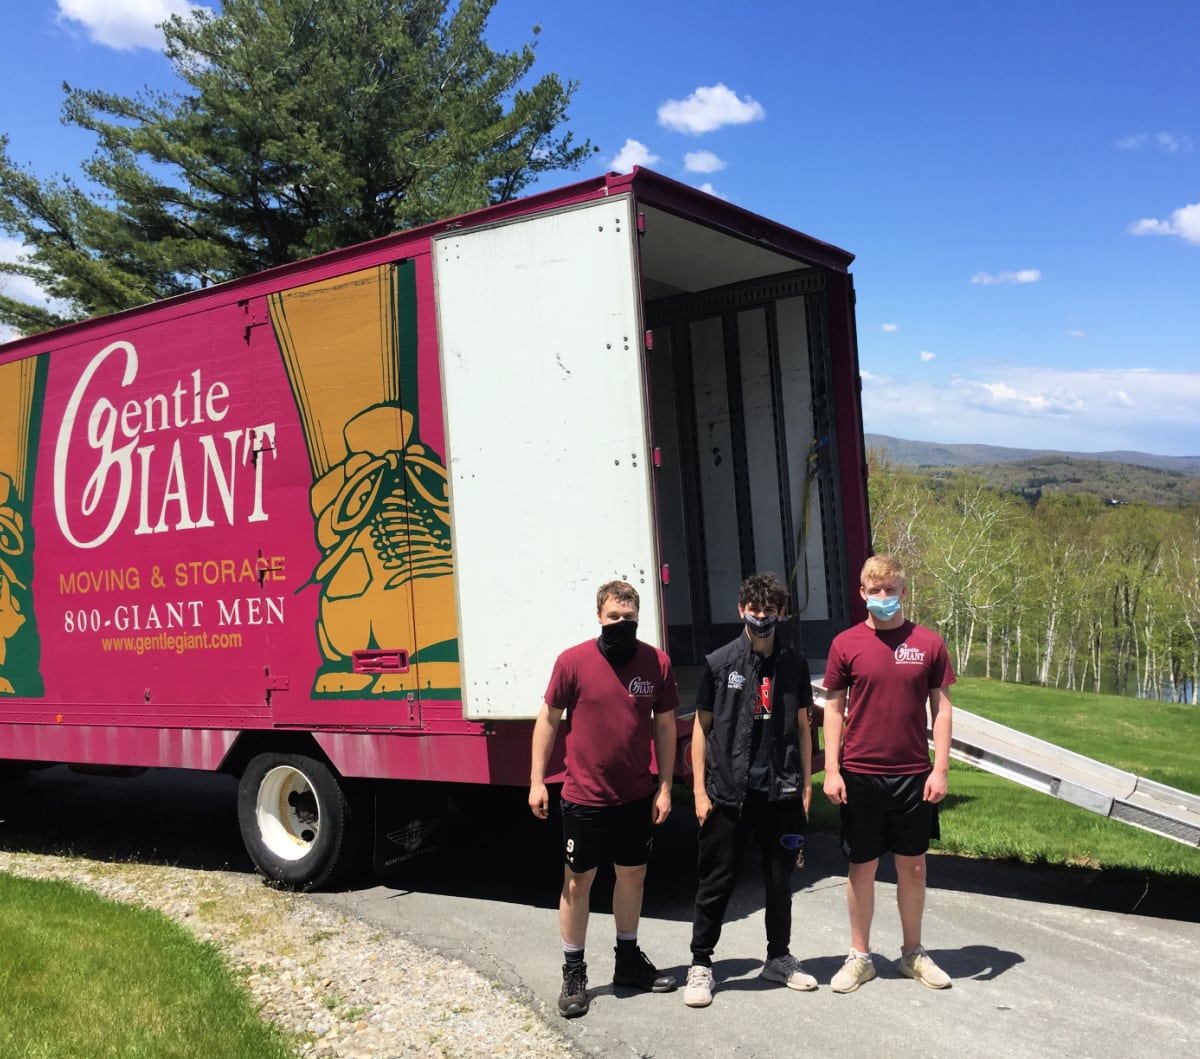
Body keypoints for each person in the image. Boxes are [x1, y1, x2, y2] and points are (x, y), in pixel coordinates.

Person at [529, 580, 679, 1018]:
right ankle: (574, 971)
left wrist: (665, 786)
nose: (621, 624)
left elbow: (665, 726)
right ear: (599, 617)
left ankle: (628, 961)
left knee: (633, 875)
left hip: (635, 795)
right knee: (578, 882)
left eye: (628, 618)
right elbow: (548, 720)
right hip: (584, 796)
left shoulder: (656, 662)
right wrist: (537, 780)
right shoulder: (572, 661)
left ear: (638, 618)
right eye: (613, 617)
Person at [682, 572, 816, 1009]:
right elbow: (701, 728)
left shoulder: (794, 664)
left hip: (780, 790)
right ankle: (701, 964)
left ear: (782, 613)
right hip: (728, 793)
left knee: (780, 881)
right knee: (716, 881)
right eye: (755, 610)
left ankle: (778, 957)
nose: (762, 617)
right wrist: (699, 791)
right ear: (741, 610)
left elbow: (803, 728)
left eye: (769, 611)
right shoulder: (719, 663)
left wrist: (806, 785)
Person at [822, 554, 954, 993]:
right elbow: (834, 709)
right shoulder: (845, 644)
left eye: (891, 589)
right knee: (861, 868)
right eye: (875, 590)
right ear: (862, 593)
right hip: (859, 773)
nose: (883, 596)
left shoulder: (929, 643)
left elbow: (942, 709)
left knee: (912, 868)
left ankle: (912, 954)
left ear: (903, 591)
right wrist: (832, 769)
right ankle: (860, 957)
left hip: (913, 774)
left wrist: (940, 769)